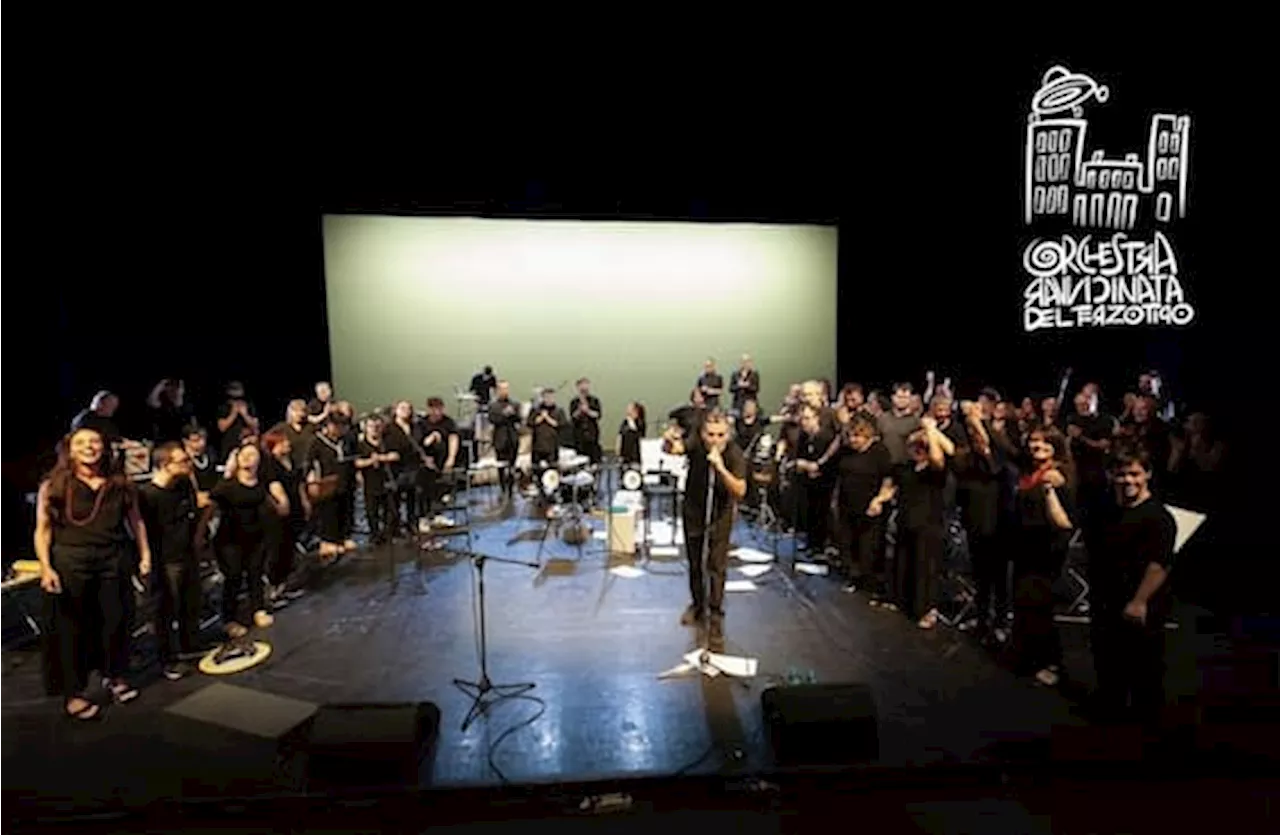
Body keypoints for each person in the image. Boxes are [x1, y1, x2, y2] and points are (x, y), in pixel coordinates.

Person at [34, 427, 150, 719]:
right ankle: (74, 693)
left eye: (95, 441)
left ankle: (115, 676)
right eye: (82, 442)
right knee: (73, 629)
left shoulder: (120, 483)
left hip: (112, 559)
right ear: (70, 450)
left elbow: (136, 521)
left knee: (116, 621)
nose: (90, 447)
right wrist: (46, 567)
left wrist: (145, 554)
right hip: (71, 561)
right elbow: (43, 530)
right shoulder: (55, 484)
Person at [1087, 446, 1176, 725]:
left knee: (1144, 671)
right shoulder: (1105, 512)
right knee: (1108, 666)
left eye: (1135, 474)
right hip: (1106, 601)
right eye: (1121, 474)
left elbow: (1159, 565)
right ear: (1111, 475)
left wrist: (1139, 601)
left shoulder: (1159, 518)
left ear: (1147, 474)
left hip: (1142, 604)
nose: (1128, 480)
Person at [662, 411, 748, 653]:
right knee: (695, 562)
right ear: (702, 433)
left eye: (720, 435)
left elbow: (740, 490)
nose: (715, 440)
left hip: (720, 514)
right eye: (710, 435)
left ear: (728, 434)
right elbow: (673, 449)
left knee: (716, 565)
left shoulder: (734, 453)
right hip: (693, 510)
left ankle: (716, 613)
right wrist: (668, 439)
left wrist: (720, 468)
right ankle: (698, 606)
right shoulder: (697, 444)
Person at [1010, 426, 1075, 686]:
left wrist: (1050, 485)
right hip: (1026, 543)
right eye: (1035, 441)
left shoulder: (1058, 472)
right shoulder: (1029, 471)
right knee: (1024, 602)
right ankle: (1027, 657)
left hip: (1047, 547)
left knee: (1040, 604)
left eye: (1045, 442)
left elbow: (1063, 518)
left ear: (1056, 446)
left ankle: (1051, 662)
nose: (1038, 446)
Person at [203, 443, 289, 636]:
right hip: (229, 540)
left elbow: (279, 506)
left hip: (256, 537)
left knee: (255, 574)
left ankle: (258, 609)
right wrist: (202, 536)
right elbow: (210, 506)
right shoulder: (227, 486)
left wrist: (281, 501)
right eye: (244, 454)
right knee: (233, 577)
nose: (247, 458)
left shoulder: (261, 484)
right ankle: (229, 619)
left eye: (252, 454)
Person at [137, 442, 201, 680]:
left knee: (191, 602)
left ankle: (189, 647)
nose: (189, 464)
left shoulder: (184, 484)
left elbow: (193, 512)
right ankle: (168, 660)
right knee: (165, 610)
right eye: (183, 461)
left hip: (187, 552)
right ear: (165, 464)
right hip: (165, 559)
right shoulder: (147, 495)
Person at [876, 419, 949, 627]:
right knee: (904, 562)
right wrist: (879, 500)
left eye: (921, 447)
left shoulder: (935, 471)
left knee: (925, 567)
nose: (916, 450)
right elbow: (890, 486)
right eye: (914, 447)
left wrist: (930, 431)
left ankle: (927, 610)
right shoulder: (905, 467)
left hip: (928, 523)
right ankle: (903, 602)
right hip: (906, 520)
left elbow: (937, 458)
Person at [831, 416, 893, 598]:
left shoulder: (879, 451)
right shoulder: (846, 451)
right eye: (850, 436)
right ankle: (853, 577)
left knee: (869, 545)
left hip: (870, 504)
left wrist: (879, 499)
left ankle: (872, 582)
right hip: (847, 503)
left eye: (857, 436)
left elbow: (888, 478)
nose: (853, 440)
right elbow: (838, 473)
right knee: (848, 542)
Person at [488, 381, 522, 499]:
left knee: (512, 466)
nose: (505, 391)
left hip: (513, 438)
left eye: (506, 389)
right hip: (500, 439)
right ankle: (502, 488)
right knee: (501, 466)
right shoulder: (493, 406)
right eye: (502, 389)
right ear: (498, 391)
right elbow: (492, 419)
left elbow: (519, 419)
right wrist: (504, 414)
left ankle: (512, 489)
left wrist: (513, 414)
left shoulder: (515, 404)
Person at [216, 382, 260, 461]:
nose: (237, 402)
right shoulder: (224, 407)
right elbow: (222, 428)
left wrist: (245, 414)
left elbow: (255, 426)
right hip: (229, 444)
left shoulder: (249, 405)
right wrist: (233, 413)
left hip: (247, 444)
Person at [570, 378, 603, 465]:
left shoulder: (594, 400)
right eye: (582, 385)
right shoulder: (574, 402)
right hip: (579, 435)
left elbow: (598, 415)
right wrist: (580, 411)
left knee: (593, 456)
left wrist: (587, 411)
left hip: (592, 434)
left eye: (586, 385)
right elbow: (572, 417)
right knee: (580, 458)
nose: (584, 388)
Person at [617, 402, 646, 467]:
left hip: (635, 454)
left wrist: (631, 420)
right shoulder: (625, 422)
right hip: (625, 454)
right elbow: (621, 435)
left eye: (630, 408)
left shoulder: (640, 422)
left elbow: (636, 432)